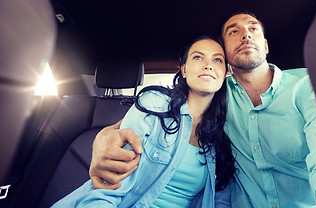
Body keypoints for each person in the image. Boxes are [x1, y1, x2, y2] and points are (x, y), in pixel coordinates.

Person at [90, 12, 316, 208]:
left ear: (265, 45)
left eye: (253, 29)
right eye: (234, 32)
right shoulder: (205, 98)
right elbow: (152, 116)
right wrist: (105, 136)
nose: (245, 35)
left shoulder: (305, 85)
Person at [52, 37, 236, 207]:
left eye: (217, 60)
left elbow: (220, 199)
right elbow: (109, 189)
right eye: (198, 57)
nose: (208, 66)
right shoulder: (154, 104)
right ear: (184, 69)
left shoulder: (227, 130)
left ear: (226, 72)